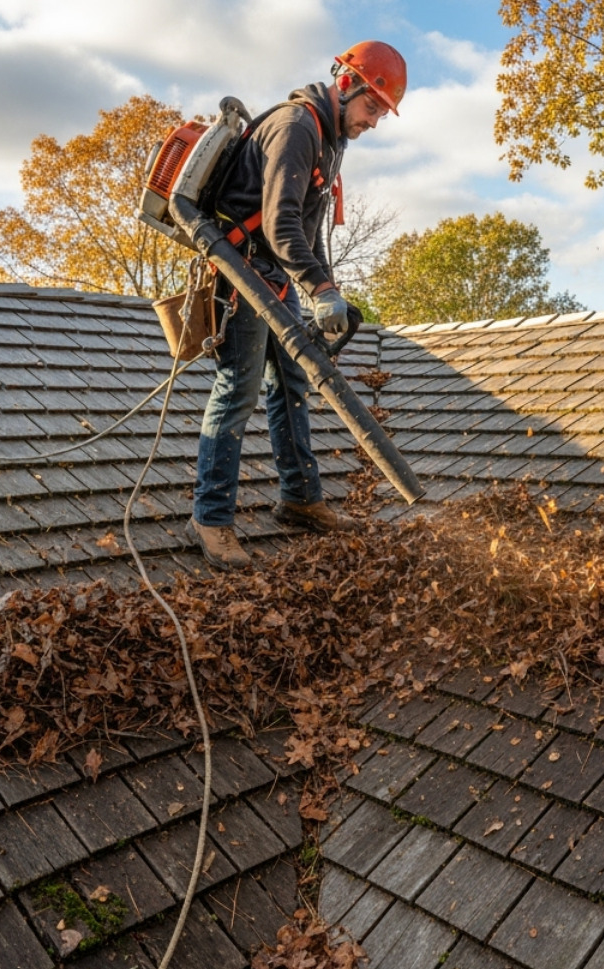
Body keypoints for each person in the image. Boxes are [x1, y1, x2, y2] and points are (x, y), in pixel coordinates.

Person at [190, 41, 406, 571]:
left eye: (381, 111)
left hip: (273, 277)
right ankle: (210, 519)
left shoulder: (329, 140)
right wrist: (321, 289)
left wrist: (327, 287)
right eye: (372, 106)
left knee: (290, 382)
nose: (374, 121)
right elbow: (282, 221)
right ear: (347, 84)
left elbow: (308, 231)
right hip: (240, 270)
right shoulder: (297, 128)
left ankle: (301, 500)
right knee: (237, 390)